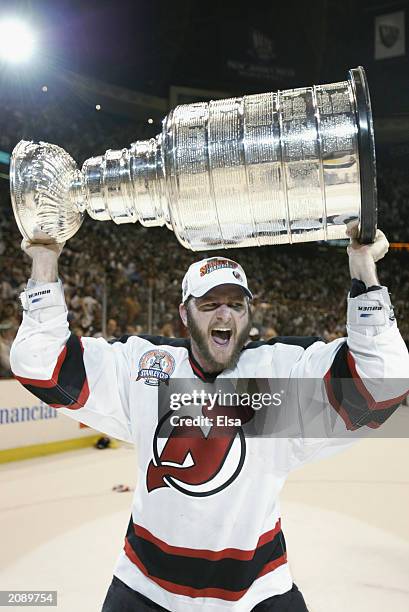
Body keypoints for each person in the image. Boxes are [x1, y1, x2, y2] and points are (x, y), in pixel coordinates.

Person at [10, 224, 409, 612]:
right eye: (209, 304)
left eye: (236, 304)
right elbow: (41, 364)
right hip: (144, 588)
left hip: (256, 593)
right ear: (185, 314)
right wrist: (45, 260)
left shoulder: (275, 376)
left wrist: (363, 270)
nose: (225, 314)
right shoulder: (149, 368)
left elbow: (382, 384)